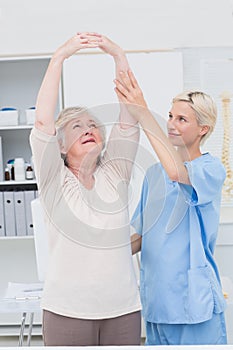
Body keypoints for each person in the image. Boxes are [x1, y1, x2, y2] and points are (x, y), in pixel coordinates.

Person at [29, 33, 141, 346]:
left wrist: (119, 56)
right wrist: (58, 58)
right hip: (67, 310)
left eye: (93, 124)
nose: (88, 128)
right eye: (77, 126)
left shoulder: (116, 172)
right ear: (60, 145)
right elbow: (41, 123)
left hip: (123, 310)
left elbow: (130, 119)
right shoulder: (54, 178)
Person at [114, 70, 227, 345]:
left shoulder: (211, 169)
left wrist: (142, 114)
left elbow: (177, 172)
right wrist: (103, 253)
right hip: (157, 301)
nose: (171, 124)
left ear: (204, 129)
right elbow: (144, 234)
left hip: (192, 301)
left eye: (182, 119)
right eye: (170, 116)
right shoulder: (154, 174)